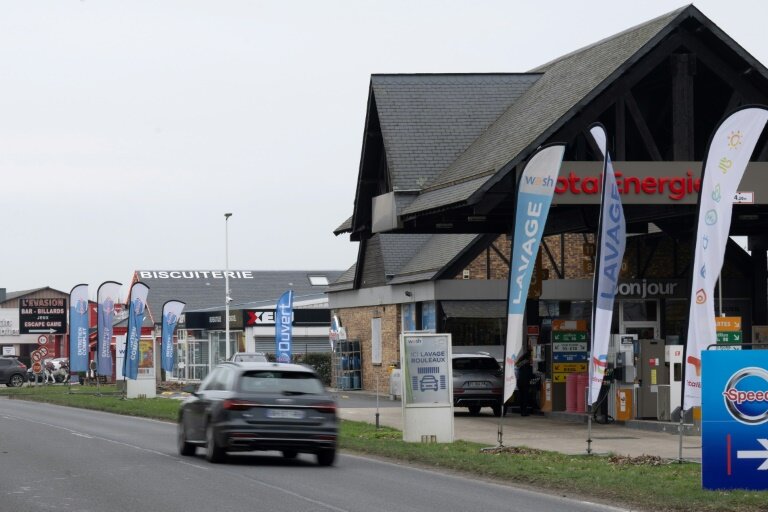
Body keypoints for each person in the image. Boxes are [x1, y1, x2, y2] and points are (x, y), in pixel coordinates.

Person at [517, 351, 534, 416]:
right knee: (525, 397)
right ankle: (523, 412)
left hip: (520, 382)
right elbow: (530, 374)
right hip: (525, 382)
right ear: (529, 357)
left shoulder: (521, 363)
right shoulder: (527, 364)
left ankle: (522, 411)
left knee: (522, 397)